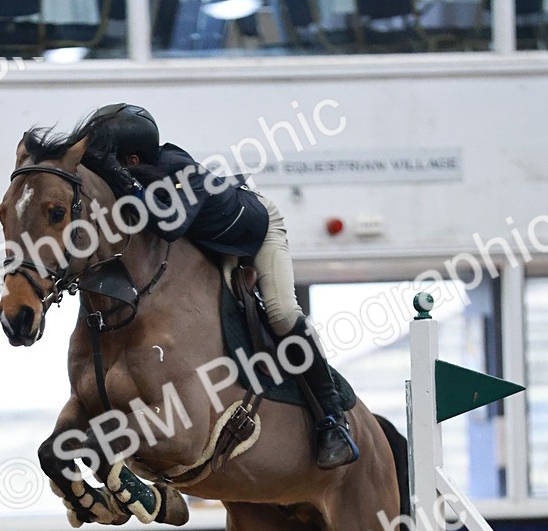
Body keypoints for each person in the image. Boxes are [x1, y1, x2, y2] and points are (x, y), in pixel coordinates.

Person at [82, 103, 359, 471]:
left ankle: (331, 418)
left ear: (131, 160)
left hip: (255, 232)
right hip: (207, 243)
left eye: (110, 165)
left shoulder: (181, 171)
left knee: (280, 312)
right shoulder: (132, 173)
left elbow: (169, 225)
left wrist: (125, 181)